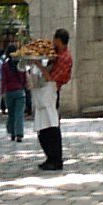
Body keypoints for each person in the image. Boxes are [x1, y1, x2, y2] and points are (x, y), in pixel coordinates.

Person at [35, 28, 72, 171]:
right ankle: (51, 157)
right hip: (49, 92)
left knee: (51, 126)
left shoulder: (64, 58)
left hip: (52, 91)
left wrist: (39, 66)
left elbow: (52, 79)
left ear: (59, 40)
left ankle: (55, 158)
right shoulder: (58, 55)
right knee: (45, 128)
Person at [1, 45, 27, 142]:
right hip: (20, 91)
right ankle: (19, 133)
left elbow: (4, 79)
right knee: (19, 113)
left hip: (9, 91)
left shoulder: (5, 65)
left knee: (11, 113)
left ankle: (12, 132)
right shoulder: (21, 64)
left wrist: (3, 91)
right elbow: (24, 77)